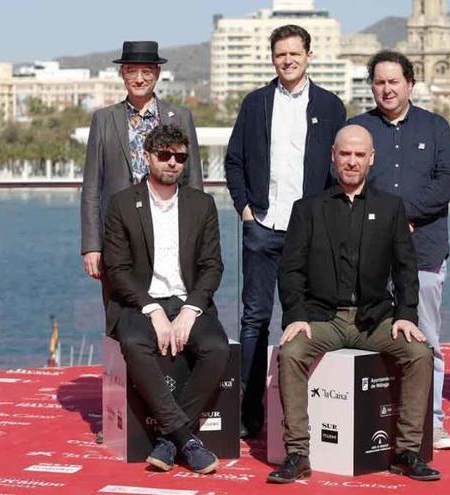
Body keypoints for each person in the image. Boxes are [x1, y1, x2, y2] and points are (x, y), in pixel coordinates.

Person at [267, 125, 440, 484]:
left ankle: (406, 451)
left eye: (359, 155)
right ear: (333, 154)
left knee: (420, 354)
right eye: (345, 154)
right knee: (292, 351)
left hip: (374, 320)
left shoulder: (391, 208)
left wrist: (407, 315)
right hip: (323, 319)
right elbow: (291, 270)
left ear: (371, 159)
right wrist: (295, 316)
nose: (351, 161)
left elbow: (407, 270)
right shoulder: (308, 209)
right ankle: (297, 452)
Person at [224, 24, 346, 438]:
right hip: (261, 227)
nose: (287, 60)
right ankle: (249, 412)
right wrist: (244, 209)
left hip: (308, 233)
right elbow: (234, 160)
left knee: (304, 319)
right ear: (272, 58)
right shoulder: (255, 103)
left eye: (295, 53)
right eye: (280, 54)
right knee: (254, 320)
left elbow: (338, 169)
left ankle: (300, 414)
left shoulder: (330, 106)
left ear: (309, 55)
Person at [349, 50, 450, 450]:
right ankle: (369, 419)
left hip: (424, 252)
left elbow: (448, 180)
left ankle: (432, 421)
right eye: (379, 82)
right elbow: (345, 178)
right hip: (369, 256)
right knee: (366, 336)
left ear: (410, 83)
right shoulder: (358, 129)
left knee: (426, 338)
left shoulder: (435, 127)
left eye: (394, 81)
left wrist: (403, 215)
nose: (386, 89)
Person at [103, 124, 228, 474]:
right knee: (133, 342)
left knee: (217, 348)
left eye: (180, 157)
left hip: (188, 301)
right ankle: (187, 439)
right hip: (140, 302)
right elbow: (118, 268)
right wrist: (152, 308)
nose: (173, 163)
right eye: (165, 155)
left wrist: (191, 308)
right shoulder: (123, 204)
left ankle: (169, 440)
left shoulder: (201, 205)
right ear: (147, 157)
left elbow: (212, 265)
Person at [82, 40, 203, 293]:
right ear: (122, 73)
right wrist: (92, 245)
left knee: (172, 304)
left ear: (157, 74)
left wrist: (197, 238)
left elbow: (193, 181)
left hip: (169, 228)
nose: (139, 79)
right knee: (120, 313)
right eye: (131, 71)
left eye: (146, 71)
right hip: (119, 233)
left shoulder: (180, 117)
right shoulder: (104, 120)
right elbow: (92, 186)